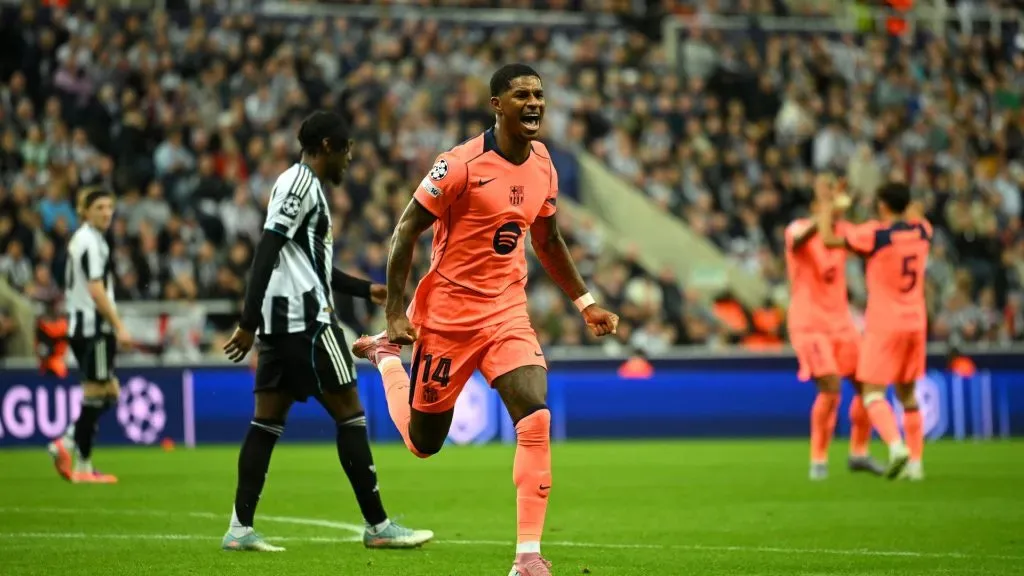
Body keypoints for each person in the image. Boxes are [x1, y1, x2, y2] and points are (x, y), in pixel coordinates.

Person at [352, 64, 619, 576]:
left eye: (539, 94)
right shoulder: (459, 165)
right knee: (423, 444)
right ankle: (387, 357)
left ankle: (527, 557)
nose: (534, 103)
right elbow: (405, 232)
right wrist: (394, 316)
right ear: (497, 104)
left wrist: (586, 303)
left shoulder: (544, 163)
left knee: (535, 415)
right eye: (521, 95)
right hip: (446, 320)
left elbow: (547, 239)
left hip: (505, 313)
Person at [220, 110, 433, 552]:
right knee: (350, 412)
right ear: (328, 147)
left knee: (265, 423)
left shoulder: (297, 185)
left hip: (281, 331)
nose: (350, 159)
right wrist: (246, 321)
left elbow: (308, 262)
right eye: (347, 150)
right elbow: (267, 247)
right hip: (310, 324)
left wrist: (364, 289)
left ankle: (240, 528)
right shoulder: (300, 185)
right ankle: (377, 526)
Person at [819, 181, 931, 480]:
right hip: (917, 321)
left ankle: (896, 447)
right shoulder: (923, 231)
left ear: (882, 206)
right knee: (907, 394)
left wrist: (830, 206)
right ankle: (916, 465)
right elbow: (917, 213)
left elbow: (829, 238)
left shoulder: (875, 234)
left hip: (885, 322)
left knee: (871, 392)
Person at [783, 175, 884, 480]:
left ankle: (859, 452)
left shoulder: (842, 231)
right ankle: (818, 459)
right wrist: (826, 208)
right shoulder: (798, 228)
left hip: (841, 322)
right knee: (830, 388)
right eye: (826, 201)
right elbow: (801, 239)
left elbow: (871, 239)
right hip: (809, 323)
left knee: (870, 383)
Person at [47, 187, 130, 484]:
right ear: (84, 211)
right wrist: (118, 325)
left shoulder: (89, 239)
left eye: (109, 207)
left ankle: (80, 461)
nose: (106, 213)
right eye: (99, 208)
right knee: (97, 393)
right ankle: (69, 449)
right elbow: (96, 289)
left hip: (89, 327)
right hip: (92, 328)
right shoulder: (89, 241)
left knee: (108, 392)